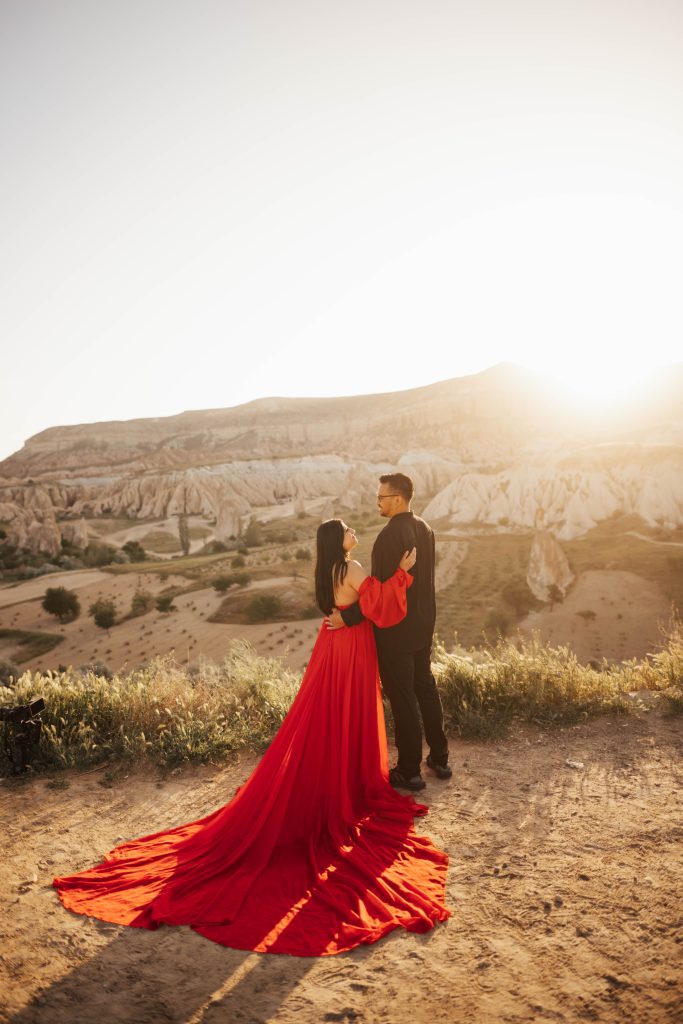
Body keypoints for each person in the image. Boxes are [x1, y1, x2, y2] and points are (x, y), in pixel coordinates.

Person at [53, 518, 450, 957]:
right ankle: (346, 783)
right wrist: (403, 572)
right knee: (348, 712)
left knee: (325, 715)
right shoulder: (352, 567)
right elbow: (380, 608)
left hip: (331, 648)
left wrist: (362, 599)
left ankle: (333, 775)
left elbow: (350, 607)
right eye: (349, 530)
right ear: (339, 542)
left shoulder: (328, 572)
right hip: (352, 647)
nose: (355, 531)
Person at [326, 473, 451, 792]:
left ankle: (409, 770)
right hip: (424, 624)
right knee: (425, 686)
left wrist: (347, 618)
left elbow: (375, 596)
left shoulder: (388, 537)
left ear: (396, 499)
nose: (378, 503)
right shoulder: (425, 528)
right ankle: (440, 757)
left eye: (381, 498)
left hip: (395, 630)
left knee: (403, 696)